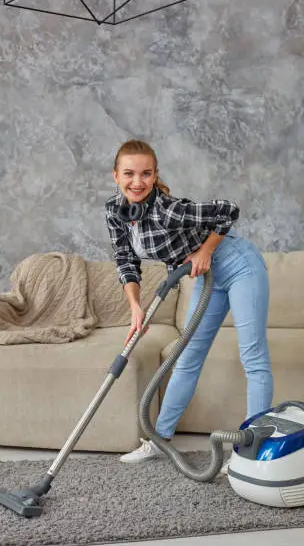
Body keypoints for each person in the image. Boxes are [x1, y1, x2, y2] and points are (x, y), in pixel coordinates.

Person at [105, 139, 273, 464]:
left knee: (253, 356)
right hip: (207, 279)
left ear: (155, 176)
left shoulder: (167, 209)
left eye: (146, 174)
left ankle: (252, 450)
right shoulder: (116, 211)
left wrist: (205, 250)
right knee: (187, 355)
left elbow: (229, 210)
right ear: (115, 175)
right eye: (129, 174)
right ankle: (159, 439)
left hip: (239, 266)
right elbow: (125, 259)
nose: (137, 182)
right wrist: (136, 307)